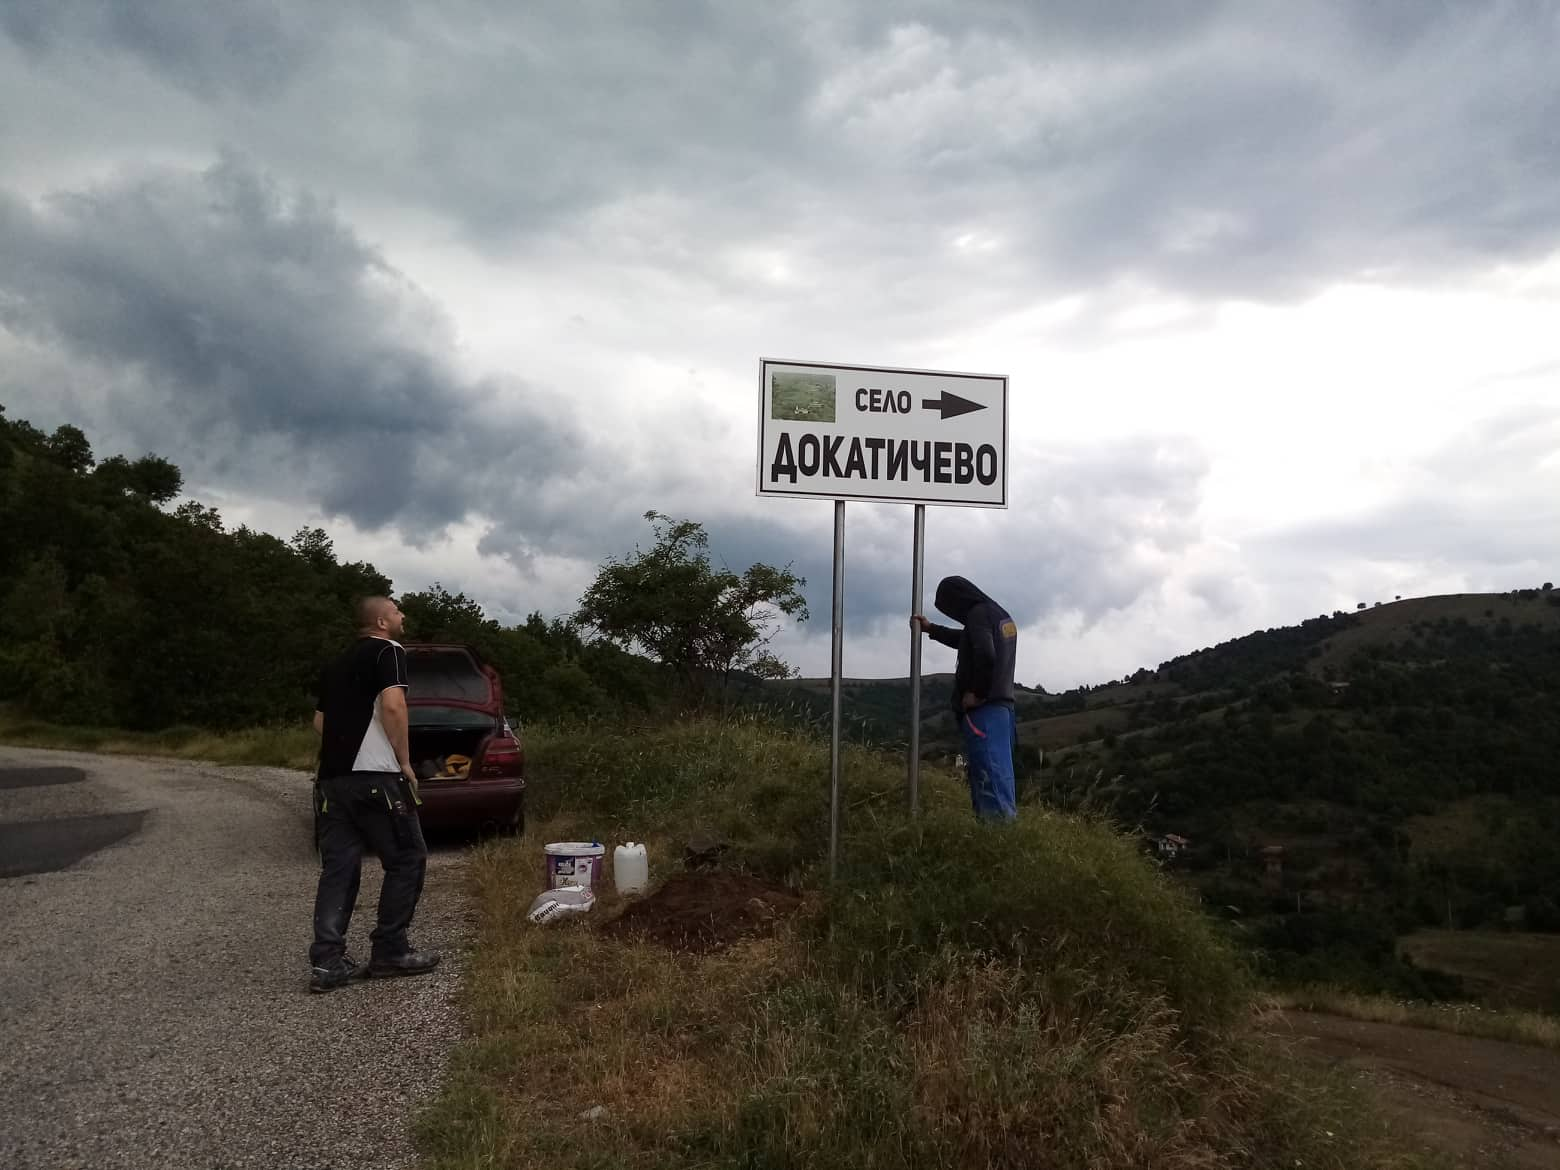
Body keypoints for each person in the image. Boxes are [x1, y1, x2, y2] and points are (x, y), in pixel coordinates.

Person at [308, 596, 439, 992]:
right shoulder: (389, 650)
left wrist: (346, 749)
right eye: (398, 612)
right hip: (376, 779)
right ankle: (390, 951)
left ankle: (328, 963)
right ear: (381, 621)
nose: (403, 617)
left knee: (340, 868)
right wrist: (403, 760)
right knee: (407, 858)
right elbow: (394, 706)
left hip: (333, 781)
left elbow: (320, 721)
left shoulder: (336, 663)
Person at [911, 576, 1019, 821]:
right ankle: (1005, 836)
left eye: (949, 608)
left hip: (985, 711)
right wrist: (934, 630)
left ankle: (995, 841)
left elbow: (985, 653)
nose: (953, 614)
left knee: (988, 777)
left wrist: (977, 694)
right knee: (1000, 775)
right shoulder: (999, 615)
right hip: (1003, 710)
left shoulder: (977, 614)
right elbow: (967, 641)